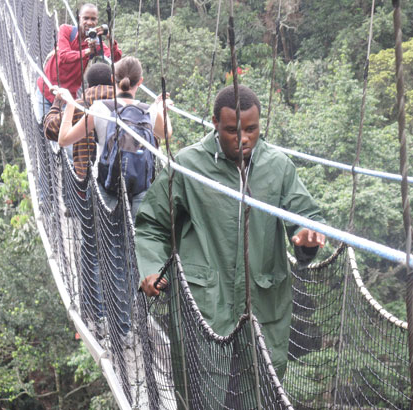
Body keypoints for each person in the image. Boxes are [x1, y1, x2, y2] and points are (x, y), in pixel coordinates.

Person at [136, 85, 326, 384]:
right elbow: (152, 225)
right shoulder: (187, 166)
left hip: (264, 311)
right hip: (205, 309)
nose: (243, 139)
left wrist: (307, 237)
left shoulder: (278, 166)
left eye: (252, 129)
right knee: (201, 390)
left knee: (260, 392)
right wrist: (151, 268)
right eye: (232, 130)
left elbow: (307, 218)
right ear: (214, 123)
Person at [58, 56, 173, 220]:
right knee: (136, 241)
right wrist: (161, 108)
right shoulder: (150, 112)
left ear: (113, 79)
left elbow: (64, 140)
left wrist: (70, 104)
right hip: (140, 189)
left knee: (104, 243)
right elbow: (167, 135)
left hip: (107, 187)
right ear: (140, 82)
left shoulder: (99, 108)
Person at [35, 3, 122, 121]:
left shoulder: (94, 41)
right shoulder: (66, 30)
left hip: (67, 98)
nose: (89, 22)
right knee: (44, 129)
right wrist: (87, 52)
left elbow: (114, 59)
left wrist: (110, 39)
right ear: (79, 18)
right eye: (86, 18)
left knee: (59, 137)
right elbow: (64, 56)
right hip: (46, 89)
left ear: (97, 21)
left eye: (93, 19)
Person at [44, 62, 116, 179]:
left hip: (86, 182)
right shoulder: (123, 105)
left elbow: (49, 129)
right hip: (121, 179)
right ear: (112, 81)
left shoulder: (79, 106)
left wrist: (58, 102)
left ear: (87, 86)